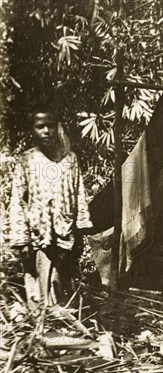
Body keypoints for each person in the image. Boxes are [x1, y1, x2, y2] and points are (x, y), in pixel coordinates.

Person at [9, 105, 94, 307]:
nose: (46, 131)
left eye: (50, 126)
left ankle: (64, 323)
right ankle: (42, 327)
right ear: (33, 130)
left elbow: (79, 194)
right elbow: (18, 201)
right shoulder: (26, 161)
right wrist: (22, 240)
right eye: (40, 127)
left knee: (63, 285)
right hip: (39, 237)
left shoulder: (69, 159)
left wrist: (81, 230)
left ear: (57, 128)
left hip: (65, 235)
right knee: (39, 288)